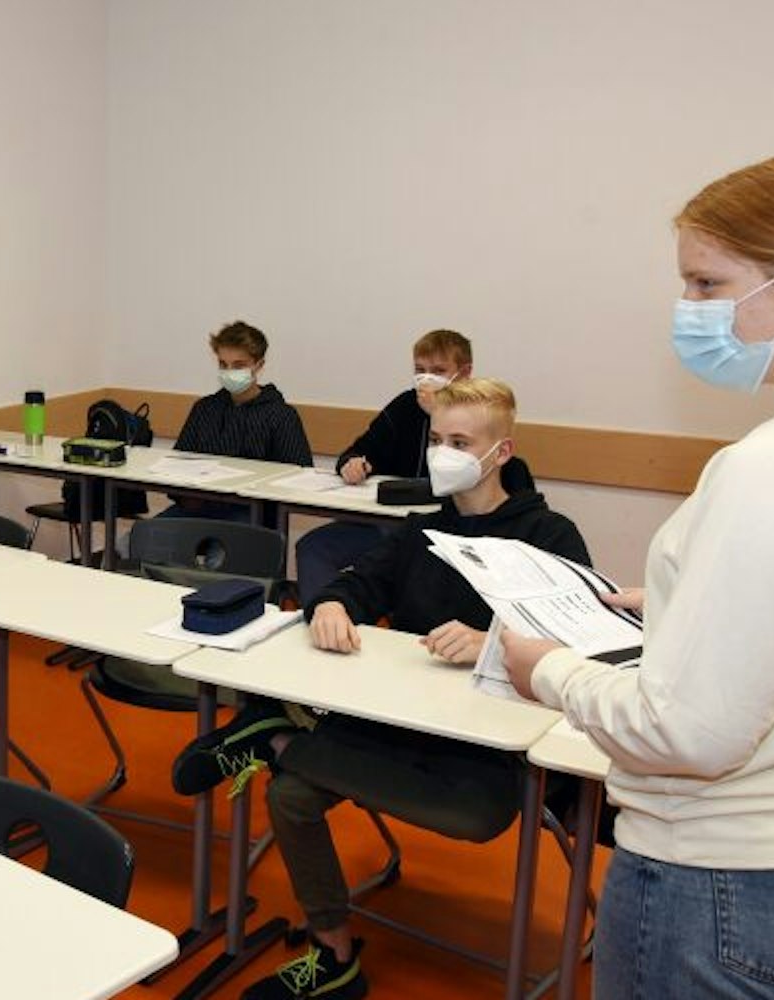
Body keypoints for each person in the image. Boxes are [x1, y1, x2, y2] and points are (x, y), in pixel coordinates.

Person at [503, 145, 774, 998]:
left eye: (707, 283)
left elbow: (690, 734)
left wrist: (548, 671)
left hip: (726, 880)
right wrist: (676, 601)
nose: (688, 310)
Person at [173, 378, 590, 1000]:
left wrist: (494, 644)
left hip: (487, 749)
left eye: (460, 443)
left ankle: (279, 740)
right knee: (290, 797)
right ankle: (333, 954)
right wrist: (332, 604)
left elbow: (581, 643)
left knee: (470, 817)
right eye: (438, 440)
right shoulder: (424, 531)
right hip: (400, 719)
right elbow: (360, 581)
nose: (443, 454)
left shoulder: (550, 536)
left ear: (501, 452)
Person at [292, 329, 473, 602]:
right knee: (314, 548)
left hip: (446, 530)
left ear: (465, 373)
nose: (426, 379)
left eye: (438, 370)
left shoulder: (479, 415)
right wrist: (352, 464)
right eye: (420, 370)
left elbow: (461, 478)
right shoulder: (405, 405)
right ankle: (323, 616)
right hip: (388, 523)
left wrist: (438, 414)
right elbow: (360, 449)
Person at [159, 320, 313, 521]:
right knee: (143, 534)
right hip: (197, 508)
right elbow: (176, 464)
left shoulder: (281, 416)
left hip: (251, 513)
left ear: (259, 365)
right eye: (223, 364)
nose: (229, 371)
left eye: (239, 365)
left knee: (221, 542)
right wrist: (186, 496)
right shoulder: (205, 408)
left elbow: (299, 478)